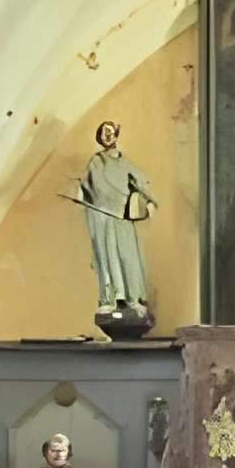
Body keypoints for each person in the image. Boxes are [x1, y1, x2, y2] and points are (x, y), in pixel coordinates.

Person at [72, 120, 155, 320]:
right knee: (106, 259)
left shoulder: (125, 162)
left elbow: (141, 182)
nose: (107, 135)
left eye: (110, 132)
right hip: (101, 216)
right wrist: (78, 193)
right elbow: (85, 185)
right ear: (99, 138)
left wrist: (149, 201)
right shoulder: (95, 161)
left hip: (121, 217)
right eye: (103, 132)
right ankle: (109, 301)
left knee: (128, 258)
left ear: (116, 135)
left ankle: (133, 299)